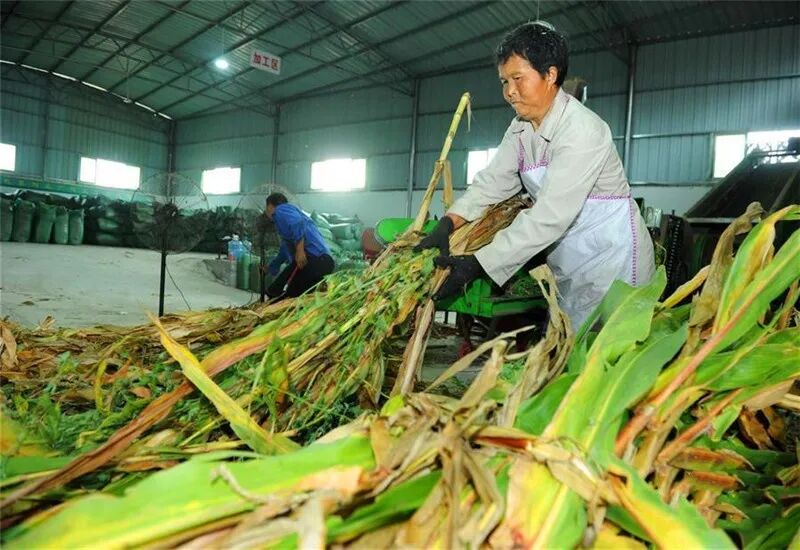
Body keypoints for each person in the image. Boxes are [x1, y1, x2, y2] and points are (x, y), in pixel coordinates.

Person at [416, 22, 655, 329]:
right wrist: (449, 222)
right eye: (504, 81)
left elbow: (550, 216)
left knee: (612, 359)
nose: (509, 92)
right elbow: (492, 183)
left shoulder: (582, 130)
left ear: (550, 75)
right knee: (572, 355)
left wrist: (479, 264)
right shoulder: (520, 129)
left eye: (518, 78)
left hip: (613, 262)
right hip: (571, 263)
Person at [265, 192, 334, 298]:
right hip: (319, 263)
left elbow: (296, 222)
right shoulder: (287, 231)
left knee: (287, 295)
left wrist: (300, 250)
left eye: (266, 208)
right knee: (277, 289)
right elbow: (283, 252)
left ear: (270, 205)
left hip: (317, 260)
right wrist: (271, 268)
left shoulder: (281, 209)